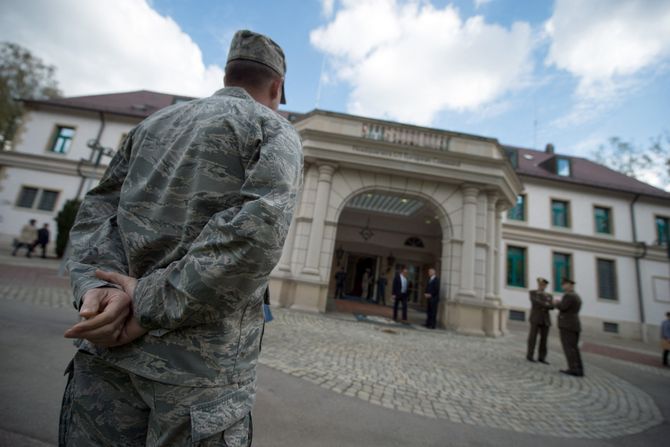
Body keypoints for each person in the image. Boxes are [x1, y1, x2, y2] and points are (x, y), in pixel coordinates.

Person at [59, 30, 302, 447]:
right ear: (277, 86)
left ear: (227, 75)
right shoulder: (272, 130)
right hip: (197, 382)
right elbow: (253, 240)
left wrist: (97, 289)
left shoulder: (152, 124)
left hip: (103, 360)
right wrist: (147, 305)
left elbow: (96, 214)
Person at [554, 278, 584, 377]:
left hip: (567, 325)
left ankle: (573, 368)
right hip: (574, 324)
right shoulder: (577, 296)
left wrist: (556, 303)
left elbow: (563, 307)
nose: (563, 286)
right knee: (574, 347)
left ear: (569, 285)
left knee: (569, 347)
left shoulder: (569, 296)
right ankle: (579, 368)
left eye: (564, 285)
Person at [526, 277, 553, 364]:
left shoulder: (549, 295)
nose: (542, 286)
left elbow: (552, 307)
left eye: (544, 285)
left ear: (546, 286)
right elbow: (535, 302)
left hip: (545, 320)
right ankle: (530, 355)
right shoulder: (533, 293)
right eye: (541, 284)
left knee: (544, 340)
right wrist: (546, 304)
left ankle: (542, 357)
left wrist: (546, 304)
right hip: (536, 318)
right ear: (538, 284)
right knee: (532, 338)